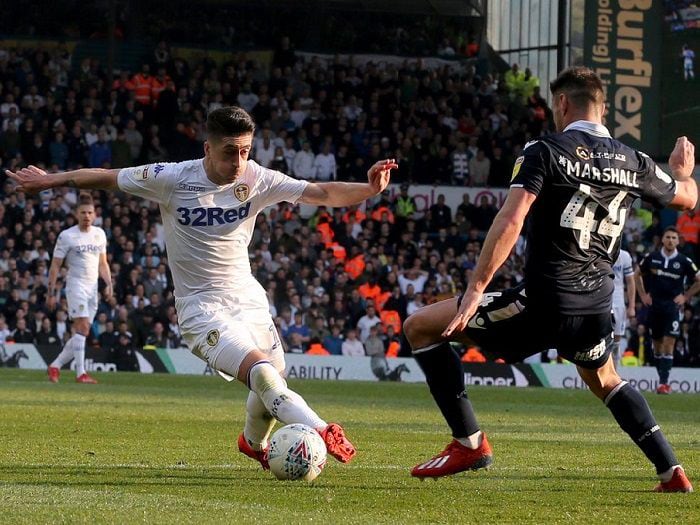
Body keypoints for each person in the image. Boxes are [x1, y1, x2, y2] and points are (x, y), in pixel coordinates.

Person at [7, 105, 396, 470]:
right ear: (208, 148)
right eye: (230, 152)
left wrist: (368, 189)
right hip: (200, 307)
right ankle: (323, 429)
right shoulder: (173, 178)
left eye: (245, 151)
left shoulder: (256, 178)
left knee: (275, 378)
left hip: (249, 299)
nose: (238, 162)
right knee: (262, 375)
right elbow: (108, 177)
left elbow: (322, 192)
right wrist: (49, 182)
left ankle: (252, 444)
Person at [402, 67, 697, 492]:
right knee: (606, 379)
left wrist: (474, 291)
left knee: (421, 327)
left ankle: (469, 442)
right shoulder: (635, 161)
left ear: (562, 104)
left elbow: (512, 217)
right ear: (603, 108)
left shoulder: (546, 150)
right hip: (595, 306)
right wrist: (682, 172)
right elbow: (688, 197)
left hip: (543, 303)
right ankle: (671, 471)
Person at [46, 193, 111, 384]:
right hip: (76, 286)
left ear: (95, 214)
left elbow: (103, 263)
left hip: (93, 289)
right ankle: (81, 373)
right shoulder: (67, 236)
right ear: (77, 214)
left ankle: (55, 366)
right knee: (81, 327)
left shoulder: (99, 234)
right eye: (83, 212)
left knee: (83, 332)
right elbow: (55, 265)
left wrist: (108, 283)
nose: (87, 216)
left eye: (90, 212)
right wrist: (51, 293)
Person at [636, 227, 700, 395]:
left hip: (672, 307)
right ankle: (661, 379)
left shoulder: (684, 261)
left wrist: (685, 297)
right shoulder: (652, 257)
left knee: (668, 343)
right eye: (668, 237)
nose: (671, 240)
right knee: (657, 346)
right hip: (654, 305)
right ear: (662, 240)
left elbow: (699, 280)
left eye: (674, 238)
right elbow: (637, 275)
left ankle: (664, 383)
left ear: (678, 241)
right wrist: (643, 295)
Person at [611, 248, 636, 368]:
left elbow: (631, 281)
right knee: (598, 342)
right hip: (599, 301)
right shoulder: (597, 251)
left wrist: (632, 306)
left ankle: (613, 376)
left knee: (616, 343)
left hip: (618, 301)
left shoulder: (624, 255)